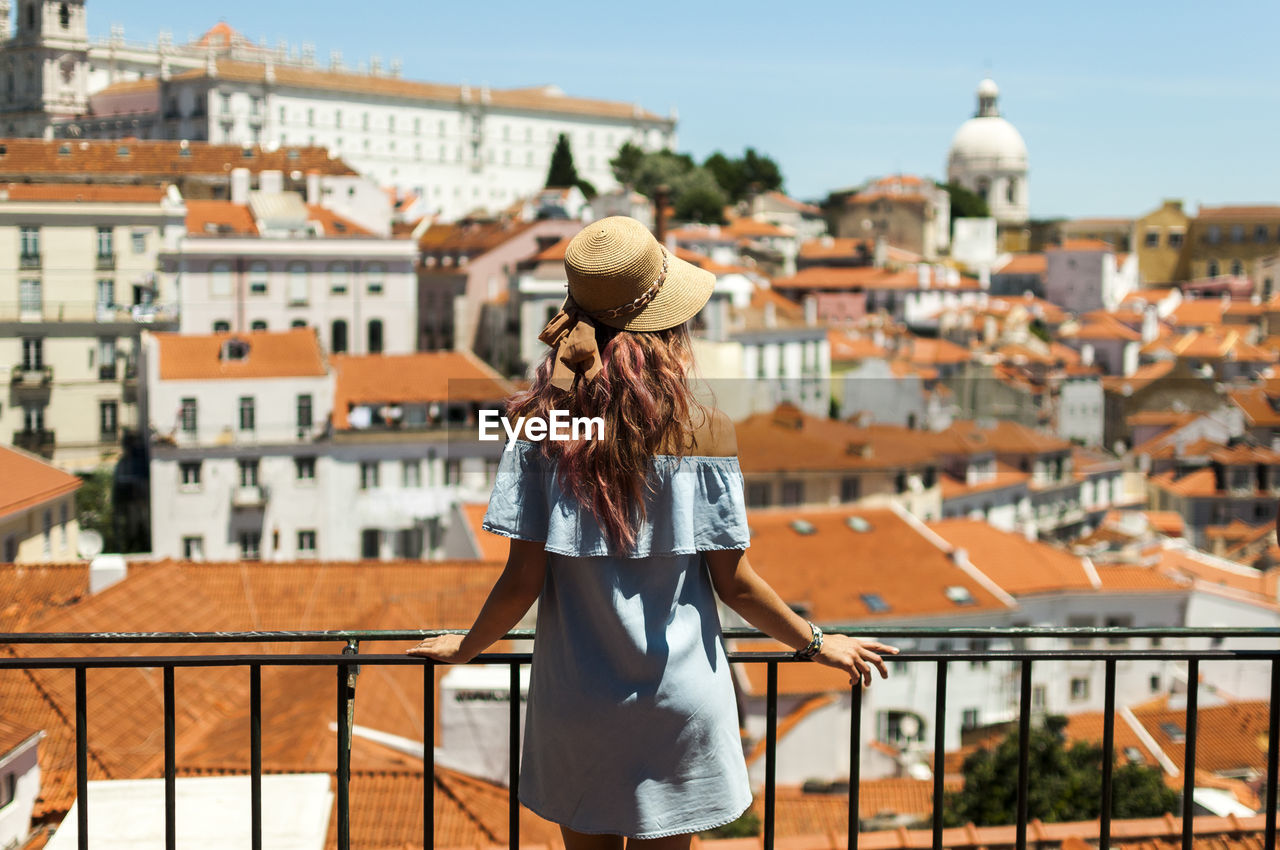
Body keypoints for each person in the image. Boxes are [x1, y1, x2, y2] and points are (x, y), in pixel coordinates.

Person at [407, 216, 898, 850]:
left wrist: (467, 648)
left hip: (578, 702)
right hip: (678, 700)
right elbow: (736, 586)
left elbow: (521, 581)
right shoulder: (703, 431)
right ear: (667, 324)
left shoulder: (542, 431)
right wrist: (816, 642)